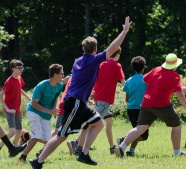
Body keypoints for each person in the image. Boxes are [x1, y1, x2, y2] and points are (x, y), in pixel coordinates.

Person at [29, 16, 131, 168]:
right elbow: (112, 47)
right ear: (95, 49)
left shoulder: (78, 61)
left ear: (83, 49)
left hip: (79, 102)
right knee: (61, 135)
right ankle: (38, 161)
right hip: (75, 101)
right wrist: (124, 32)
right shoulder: (94, 60)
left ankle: (83, 153)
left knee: (98, 123)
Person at [114, 53, 186, 158]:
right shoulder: (174, 76)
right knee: (177, 125)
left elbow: (144, 79)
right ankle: (177, 153)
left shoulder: (156, 69)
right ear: (175, 65)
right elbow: (180, 94)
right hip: (162, 104)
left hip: (147, 103)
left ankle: (121, 147)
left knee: (140, 128)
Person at [18, 64, 64, 162]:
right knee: (37, 136)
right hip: (33, 111)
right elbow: (34, 104)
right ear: (55, 74)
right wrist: (49, 111)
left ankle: (27, 136)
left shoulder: (59, 86)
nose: (63, 75)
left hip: (45, 114)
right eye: (61, 73)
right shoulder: (41, 86)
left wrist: (53, 109)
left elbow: (55, 97)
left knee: (48, 141)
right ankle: (22, 157)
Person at [93, 46, 125, 154]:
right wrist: (129, 92)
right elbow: (123, 81)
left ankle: (112, 147)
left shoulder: (101, 64)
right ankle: (77, 143)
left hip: (97, 97)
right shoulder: (117, 65)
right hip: (105, 98)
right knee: (93, 122)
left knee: (109, 121)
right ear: (118, 55)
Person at [117, 56, 148, 156]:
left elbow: (127, 99)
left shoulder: (129, 81)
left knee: (136, 130)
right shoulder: (146, 80)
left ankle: (131, 151)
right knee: (143, 135)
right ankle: (123, 140)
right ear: (144, 67)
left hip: (130, 109)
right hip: (142, 109)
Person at [0, 59, 31, 149]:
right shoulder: (9, 81)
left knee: (19, 130)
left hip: (17, 108)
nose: (21, 70)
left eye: (22, 68)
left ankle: (15, 147)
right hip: (10, 109)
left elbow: (19, 89)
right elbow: (1, 95)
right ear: (13, 69)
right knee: (13, 131)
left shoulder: (19, 78)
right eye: (19, 68)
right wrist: (8, 109)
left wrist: (29, 98)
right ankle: (1, 146)